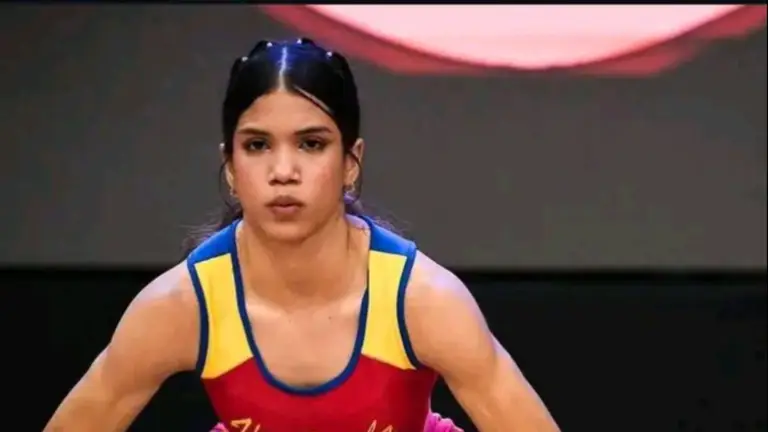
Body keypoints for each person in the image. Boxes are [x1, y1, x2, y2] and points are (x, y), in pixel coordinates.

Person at [44, 38, 560, 432]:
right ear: (230, 166)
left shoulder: (424, 301)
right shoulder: (181, 305)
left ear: (351, 161)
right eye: (257, 145)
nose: (283, 171)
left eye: (311, 144)